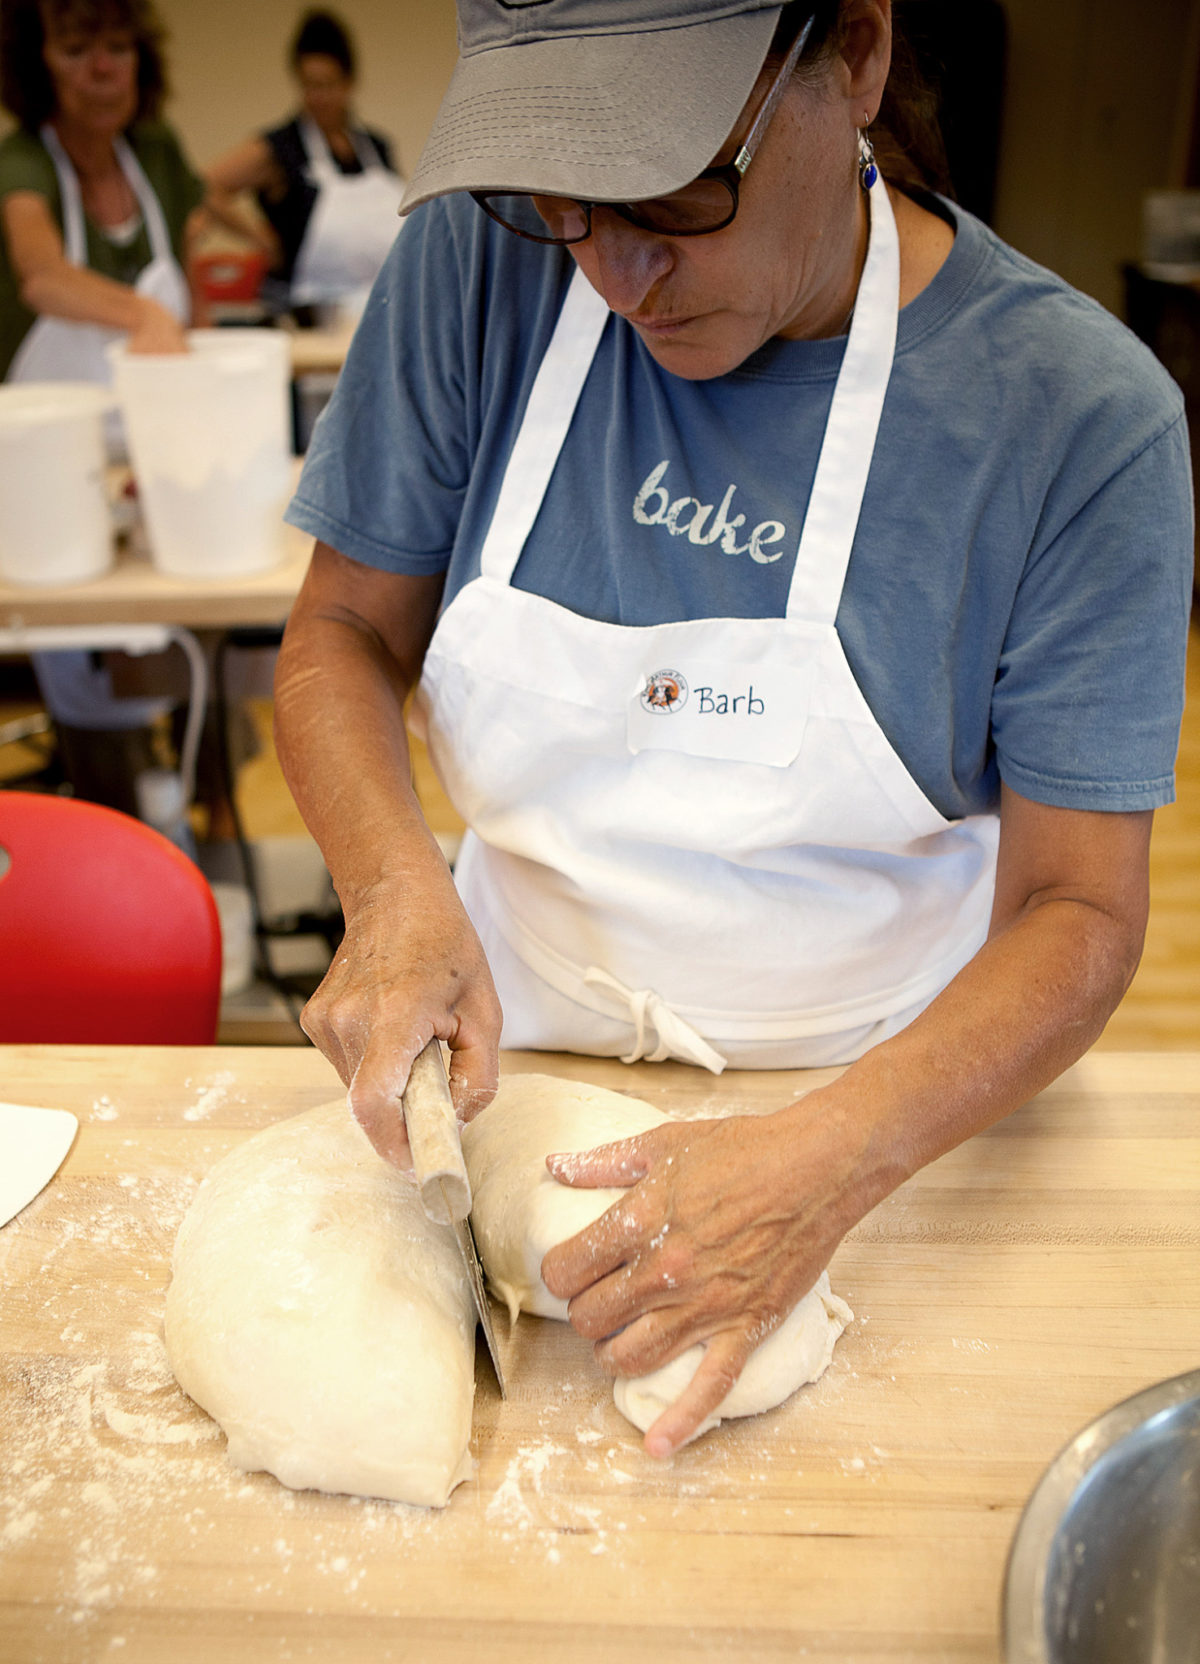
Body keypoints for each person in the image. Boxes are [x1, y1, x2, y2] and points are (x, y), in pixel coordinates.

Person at [274, 0, 1192, 1457]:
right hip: (500, 1064)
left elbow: (1078, 910)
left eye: (677, 194)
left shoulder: (1073, 419)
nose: (619, 273)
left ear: (862, 56)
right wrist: (392, 891)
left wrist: (823, 1162)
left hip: (889, 1112)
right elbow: (338, 634)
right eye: (562, 207)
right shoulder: (475, 273)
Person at [0, 0, 203, 814]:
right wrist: (145, 315)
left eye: (118, 46)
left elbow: (195, 312)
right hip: (54, 483)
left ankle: (216, 871)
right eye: (78, 48)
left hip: (158, 468)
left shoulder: (156, 154)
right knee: (97, 696)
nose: (103, 68)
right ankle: (112, 852)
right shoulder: (25, 164)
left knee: (203, 669)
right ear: (36, 62)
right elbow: (43, 275)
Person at [203, 8, 403, 316]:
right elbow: (202, 186)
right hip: (300, 315)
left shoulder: (377, 149)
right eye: (309, 85)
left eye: (327, 85)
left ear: (349, 82)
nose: (318, 97)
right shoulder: (280, 147)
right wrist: (260, 237)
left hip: (374, 308)